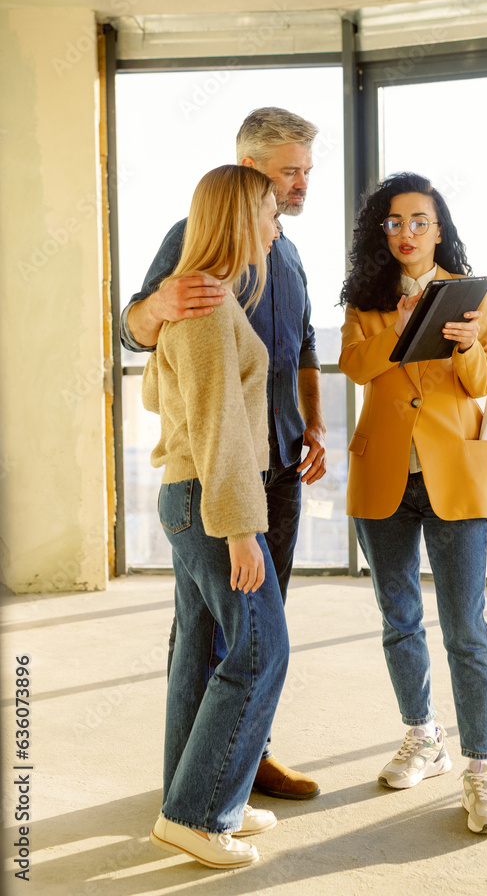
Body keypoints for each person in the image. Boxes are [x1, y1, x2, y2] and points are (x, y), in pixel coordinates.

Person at [121, 107, 325, 800]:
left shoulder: (286, 252)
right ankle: (198, 786)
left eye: (306, 171)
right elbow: (136, 328)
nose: (301, 184)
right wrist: (157, 307)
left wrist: (313, 426)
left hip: (280, 462)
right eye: (288, 172)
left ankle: (239, 758)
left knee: (255, 620)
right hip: (217, 467)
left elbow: (302, 349)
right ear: (249, 170)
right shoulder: (197, 238)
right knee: (223, 634)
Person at [339, 171, 487, 834]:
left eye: (418, 221)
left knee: (466, 629)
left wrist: (465, 347)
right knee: (399, 619)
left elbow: (483, 382)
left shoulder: (470, 297)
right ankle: (422, 736)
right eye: (394, 222)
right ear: (380, 233)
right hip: (381, 474)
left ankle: (481, 768)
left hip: (453, 477)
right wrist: (401, 328)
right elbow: (355, 366)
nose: (406, 232)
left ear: (439, 230)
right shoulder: (365, 299)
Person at [143, 164, 288, 868]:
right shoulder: (203, 303)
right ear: (238, 218)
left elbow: (157, 394)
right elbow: (219, 423)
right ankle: (197, 815)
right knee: (260, 650)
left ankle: (194, 795)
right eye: (269, 211)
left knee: (200, 649)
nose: (277, 227)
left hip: (189, 494)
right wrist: (239, 529)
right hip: (210, 501)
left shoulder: (203, 296)